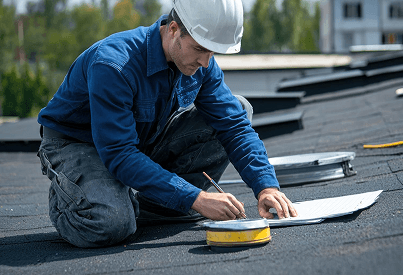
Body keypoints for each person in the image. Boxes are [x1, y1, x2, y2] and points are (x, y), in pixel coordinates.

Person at [37, 0, 297, 248]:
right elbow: (119, 154)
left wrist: (266, 186)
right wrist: (196, 198)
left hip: (140, 142)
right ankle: (70, 197)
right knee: (112, 223)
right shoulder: (114, 64)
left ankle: (157, 207)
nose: (206, 61)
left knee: (239, 107)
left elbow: (234, 126)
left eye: (212, 52)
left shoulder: (200, 62)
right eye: (199, 49)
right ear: (173, 30)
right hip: (76, 145)